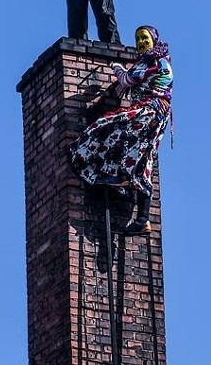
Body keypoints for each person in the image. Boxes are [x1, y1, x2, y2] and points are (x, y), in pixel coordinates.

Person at [69, 25, 173, 234]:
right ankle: (142, 218)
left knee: (105, 127)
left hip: (149, 112)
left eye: (145, 38)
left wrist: (116, 67)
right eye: (138, 39)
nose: (141, 43)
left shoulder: (153, 62)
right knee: (143, 158)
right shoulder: (156, 61)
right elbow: (125, 86)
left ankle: (115, 175)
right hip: (155, 116)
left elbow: (126, 80)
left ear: (154, 40)